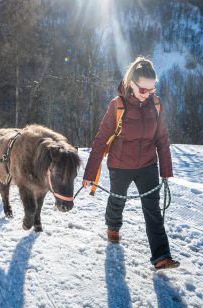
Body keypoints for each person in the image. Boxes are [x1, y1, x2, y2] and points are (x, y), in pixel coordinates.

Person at [82, 56, 179, 270]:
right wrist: (90, 173)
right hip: (120, 164)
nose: (148, 94)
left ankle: (161, 256)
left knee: (153, 209)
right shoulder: (117, 106)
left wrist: (165, 171)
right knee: (118, 201)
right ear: (131, 84)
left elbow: (162, 139)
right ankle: (113, 226)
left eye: (152, 90)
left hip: (148, 165)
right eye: (143, 90)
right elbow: (100, 141)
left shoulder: (156, 104)